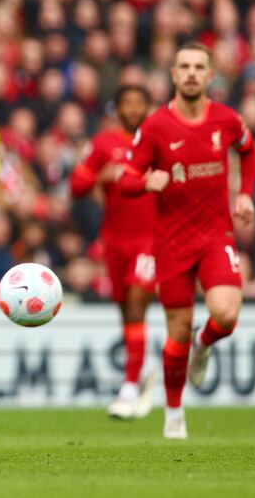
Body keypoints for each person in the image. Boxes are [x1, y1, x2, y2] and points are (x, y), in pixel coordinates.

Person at [118, 42, 255, 439]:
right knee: (176, 331)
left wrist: (245, 192)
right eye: (185, 66)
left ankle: (205, 341)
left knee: (226, 315)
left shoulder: (227, 120)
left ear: (211, 75)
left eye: (200, 66)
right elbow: (125, 178)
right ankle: (174, 414)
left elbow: (249, 152)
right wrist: (146, 180)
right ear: (174, 75)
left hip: (216, 235)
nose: (192, 72)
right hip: (172, 243)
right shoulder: (156, 127)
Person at [69, 85, 156, 420]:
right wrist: (98, 176)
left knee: (136, 303)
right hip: (115, 241)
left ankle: (129, 388)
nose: (133, 109)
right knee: (127, 312)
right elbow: (76, 186)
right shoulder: (103, 143)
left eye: (139, 103)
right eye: (127, 103)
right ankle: (142, 372)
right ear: (117, 108)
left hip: (151, 240)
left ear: (147, 108)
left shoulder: (158, 143)